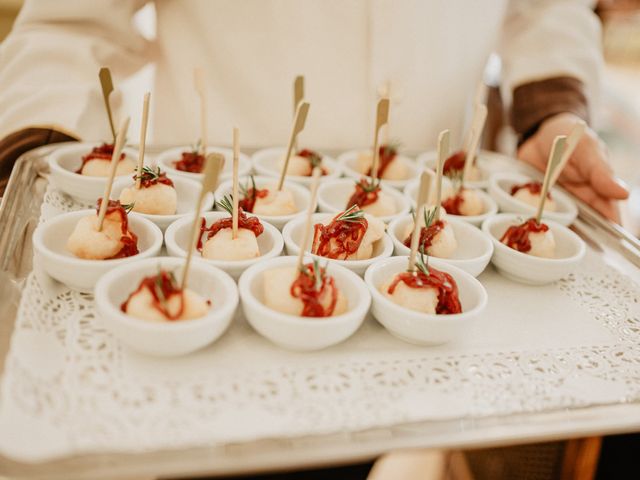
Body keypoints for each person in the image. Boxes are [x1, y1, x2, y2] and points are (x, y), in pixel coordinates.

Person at [0, 0, 628, 217]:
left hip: (435, 221)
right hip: (210, 214)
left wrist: (552, 112)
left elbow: (547, 8)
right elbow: (68, 29)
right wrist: (27, 164)